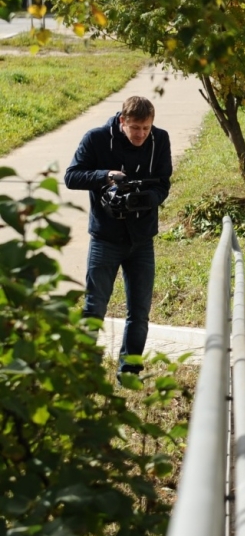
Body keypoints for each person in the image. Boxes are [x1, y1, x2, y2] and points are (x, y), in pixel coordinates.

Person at [64, 96, 172, 381]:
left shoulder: (159, 140)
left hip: (142, 240)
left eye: (146, 128)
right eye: (136, 128)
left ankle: (129, 371)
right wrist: (105, 176)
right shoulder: (97, 139)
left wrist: (147, 198)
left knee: (139, 312)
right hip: (105, 238)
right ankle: (84, 369)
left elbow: (163, 183)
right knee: (94, 307)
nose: (141, 135)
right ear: (122, 121)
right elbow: (72, 176)